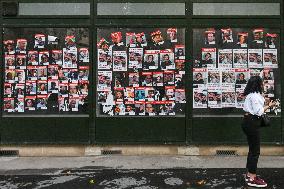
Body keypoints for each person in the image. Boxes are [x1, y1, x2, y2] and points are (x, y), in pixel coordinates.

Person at [242, 76, 276, 187]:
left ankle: (249, 174)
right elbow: (259, 111)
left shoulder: (251, 95)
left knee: (252, 150)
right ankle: (252, 177)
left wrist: (263, 100)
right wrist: (269, 105)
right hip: (252, 122)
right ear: (258, 84)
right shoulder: (255, 96)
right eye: (261, 83)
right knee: (255, 151)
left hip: (248, 121)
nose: (263, 84)